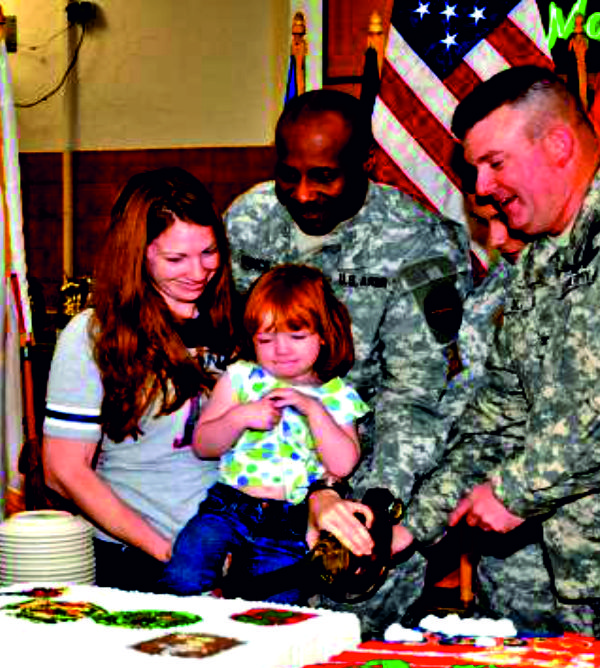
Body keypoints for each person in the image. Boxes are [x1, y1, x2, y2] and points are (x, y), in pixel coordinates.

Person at [396, 65, 600, 636]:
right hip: (579, 587)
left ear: (557, 145)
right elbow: (501, 414)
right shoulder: (539, 263)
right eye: (476, 169)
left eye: (495, 163)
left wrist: (512, 492)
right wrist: (415, 524)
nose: (482, 188)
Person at [225, 88, 472, 560]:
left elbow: (413, 395)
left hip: (368, 466)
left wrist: (377, 503)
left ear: (367, 164)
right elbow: (227, 346)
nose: (302, 194)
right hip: (257, 466)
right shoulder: (248, 221)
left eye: (324, 177)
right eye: (288, 175)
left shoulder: (417, 243)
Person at [43, 167, 239, 592]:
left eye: (209, 252)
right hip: (140, 560)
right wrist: (171, 553)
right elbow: (63, 470)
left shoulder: (236, 323)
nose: (198, 271)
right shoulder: (93, 334)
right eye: (175, 259)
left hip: (235, 556)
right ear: (137, 254)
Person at [162, 264, 369, 603]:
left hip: (291, 517)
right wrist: (238, 417)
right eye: (265, 339)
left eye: (296, 337)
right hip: (229, 504)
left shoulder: (337, 396)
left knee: (277, 600)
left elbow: (344, 465)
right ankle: (198, 622)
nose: (281, 349)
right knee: (185, 571)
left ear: (323, 334)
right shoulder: (241, 379)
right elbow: (203, 445)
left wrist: (314, 410)